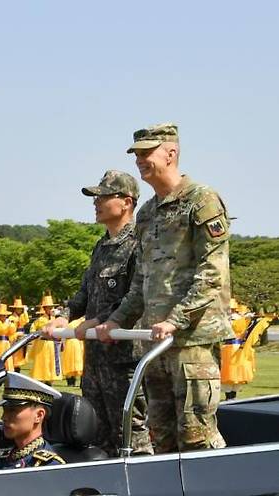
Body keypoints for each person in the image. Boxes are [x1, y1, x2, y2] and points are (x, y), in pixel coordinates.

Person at [96, 122, 234, 453]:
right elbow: (142, 280)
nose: (140, 160)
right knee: (162, 440)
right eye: (137, 155)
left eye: (147, 153)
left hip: (191, 342)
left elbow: (212, 273)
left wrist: (175, 319)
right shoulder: (146, 214)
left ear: (171, 153)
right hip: (155, 344)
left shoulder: (201, 201)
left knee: (196, 436)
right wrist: (116, 320)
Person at [42, 169, 152, 456]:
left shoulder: (139, 243)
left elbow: (136, 296)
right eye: (96, 197)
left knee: (131, 434)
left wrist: (98, 320)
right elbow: (84, 293)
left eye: (103, 196)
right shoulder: (101, 247)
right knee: (96, 435)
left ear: (126, 202)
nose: (96, 202)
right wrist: (63, 315)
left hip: (125, 360)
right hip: (95, 360)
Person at [0, 375, 65, 469]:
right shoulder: (3, 455)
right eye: (4, 410)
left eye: (12, 410)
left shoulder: (47, 466)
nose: (3, 417)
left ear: (38, 416)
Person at [28, 292, 61, 386]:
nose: (50, 309)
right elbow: (32, 330)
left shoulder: (56, 319)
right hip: (42, 344)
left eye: (51, 307)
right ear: (45, 308)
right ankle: (41, 380)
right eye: (48, 307)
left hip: (52, 344)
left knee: (51, 361)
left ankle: (50, 380)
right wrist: (39, 334)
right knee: (42, 361)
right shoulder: (40, 320)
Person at [0, 303, 16, 370]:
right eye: (2, 315)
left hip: (6, 343)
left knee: (7, 358)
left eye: (5, 315)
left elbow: (12, 332)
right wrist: (8, 324)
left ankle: (8, 370)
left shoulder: (8, 323)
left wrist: (11, 325)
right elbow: (1, 329)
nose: (4, 317)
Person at [9, 297, 29, 372]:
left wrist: (25, 312)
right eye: (18, 308)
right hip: (14, 337)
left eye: (21, 309)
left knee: (20, 355)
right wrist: (17, 334)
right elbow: (11, 330)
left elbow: (26, 320)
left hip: (20, 337)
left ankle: (18, 370)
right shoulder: (11, 318)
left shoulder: (20, 317)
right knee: (15, 355)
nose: (20, 310)